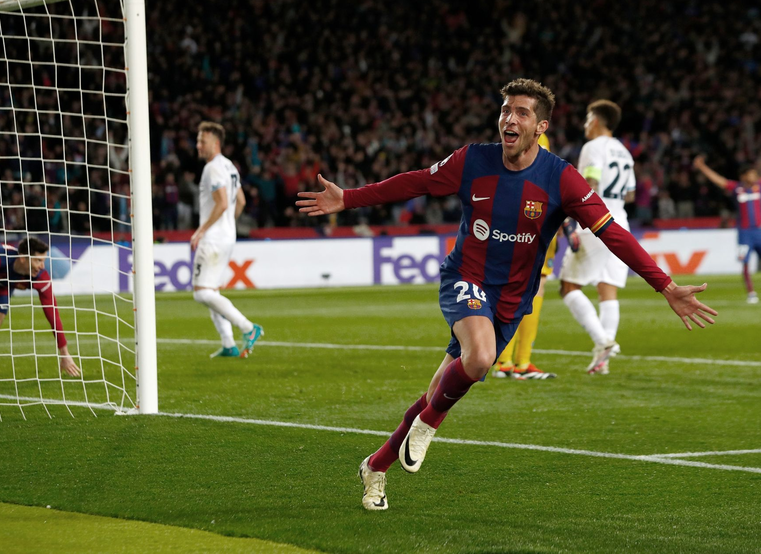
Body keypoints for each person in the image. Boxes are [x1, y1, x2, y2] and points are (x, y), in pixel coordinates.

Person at [297, 78, 717, 512]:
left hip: (512, 300)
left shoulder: (561, 179)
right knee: (477, 361)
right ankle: (429, 424)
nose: (509, 119)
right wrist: (348, 198)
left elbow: (613, 233)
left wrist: (665, 285)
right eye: (505, 110)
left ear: (541, 127)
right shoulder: (472, 160)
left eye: (521, 113)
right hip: (466, 278)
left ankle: (376, 466)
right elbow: (416, 183)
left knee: (441, 386)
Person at [558, 100, 636, 374]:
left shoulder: (593, 148)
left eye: (588, 118)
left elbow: (589, 184)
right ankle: (602, 361)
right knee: (607, 288)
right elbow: (630, 195)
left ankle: (602, 341)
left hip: (597, 221)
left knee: (568, 286)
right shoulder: (625, 152)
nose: (585, 124)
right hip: (621, 221)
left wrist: (571, 219)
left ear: (598, 121)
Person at [191, 121, 263, 358]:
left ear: (215, 142)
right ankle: (228, 344)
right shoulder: (230, 166)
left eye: (203, 141)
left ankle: (248, 327)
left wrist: (202, 230)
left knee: (201, 292)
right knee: (212, 291)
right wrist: (227, 225)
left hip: (213, 239)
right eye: (198, 140)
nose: (198, 145)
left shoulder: (212, 168)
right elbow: (239, 201)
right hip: (227, 236)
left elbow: (223, 202)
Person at [0, 237, 80, 379]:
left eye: (43, 261)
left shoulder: (41, 278)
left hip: (0, 289)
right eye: (38, 261)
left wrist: (64, 353)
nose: (42, 266)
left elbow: (52, 313)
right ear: (23, 258)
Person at [492, 133, 558, 380]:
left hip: (525, 223)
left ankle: (512, 362)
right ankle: (512, 361)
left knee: (525, 289)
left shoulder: (512, 139)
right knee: (526, 289)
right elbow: (540, 182)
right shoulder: (538, 140)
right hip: (532, 224)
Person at [693, 156, 761, 304]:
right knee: (745, 263)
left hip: (759, 231)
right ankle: (751, 293)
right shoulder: (737, 188)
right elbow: (718, 180)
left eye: (755, 174)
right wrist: (702, 167)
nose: (754, 176)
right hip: (744, 234)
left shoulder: (760, 186)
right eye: (751, 174)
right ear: (743, 176)